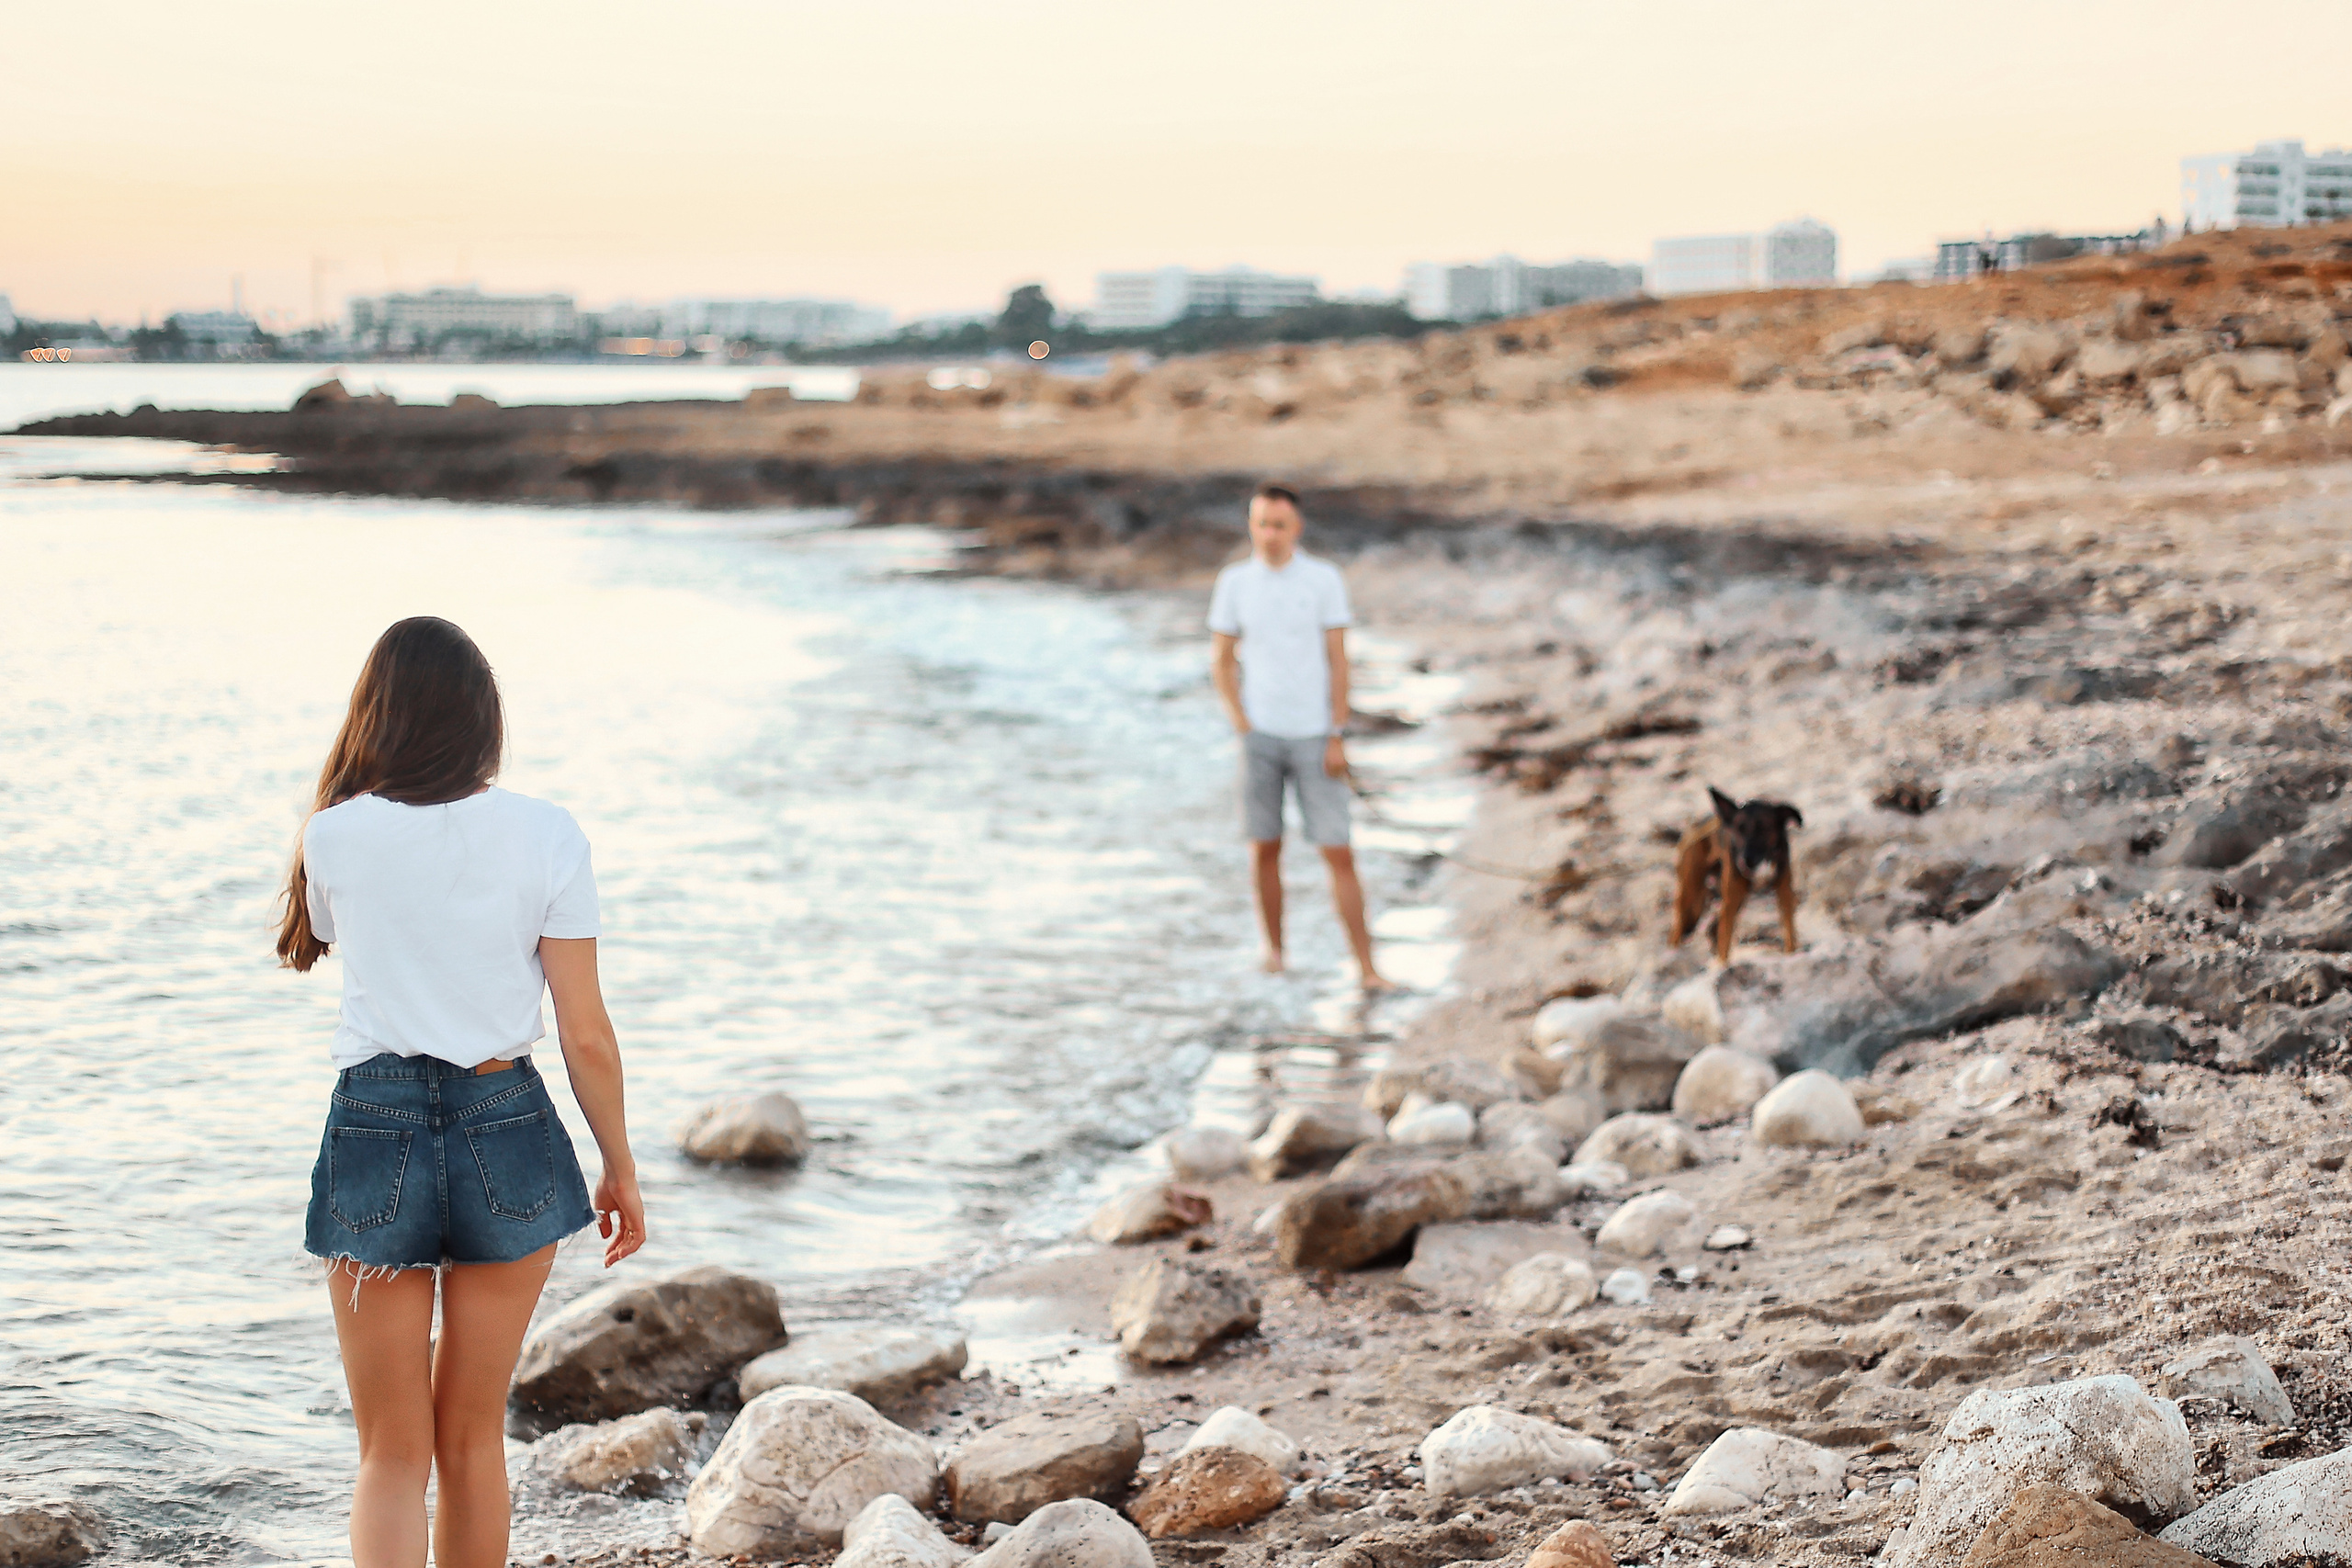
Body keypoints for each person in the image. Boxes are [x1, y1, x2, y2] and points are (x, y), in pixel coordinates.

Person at [276, 616, 646, 1568]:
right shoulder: (549, 834)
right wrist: (619, 1166)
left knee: (390, 1453)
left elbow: (328, 925)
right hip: (506, 1125)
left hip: (375, 1128)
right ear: (484, 720)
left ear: (376, 717)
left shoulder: (333, 834)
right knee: (473, 1440)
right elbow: (585, 1032)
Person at [1208, 484, 1390, 990]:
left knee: (1338, 850)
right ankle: (1275, 953)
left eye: (1279, 525)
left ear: (1297, 528)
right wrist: (1241, 724)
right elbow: (1221, 661)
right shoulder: (1235, 583)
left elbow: (1338, 659)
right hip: (1259, 737)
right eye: (1261, 523)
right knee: (1263, 847)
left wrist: (1337, 732)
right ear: (1251, 525)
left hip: (1315, 735)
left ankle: (1368, 968)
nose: (1269, 534)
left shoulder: (1323, 580)